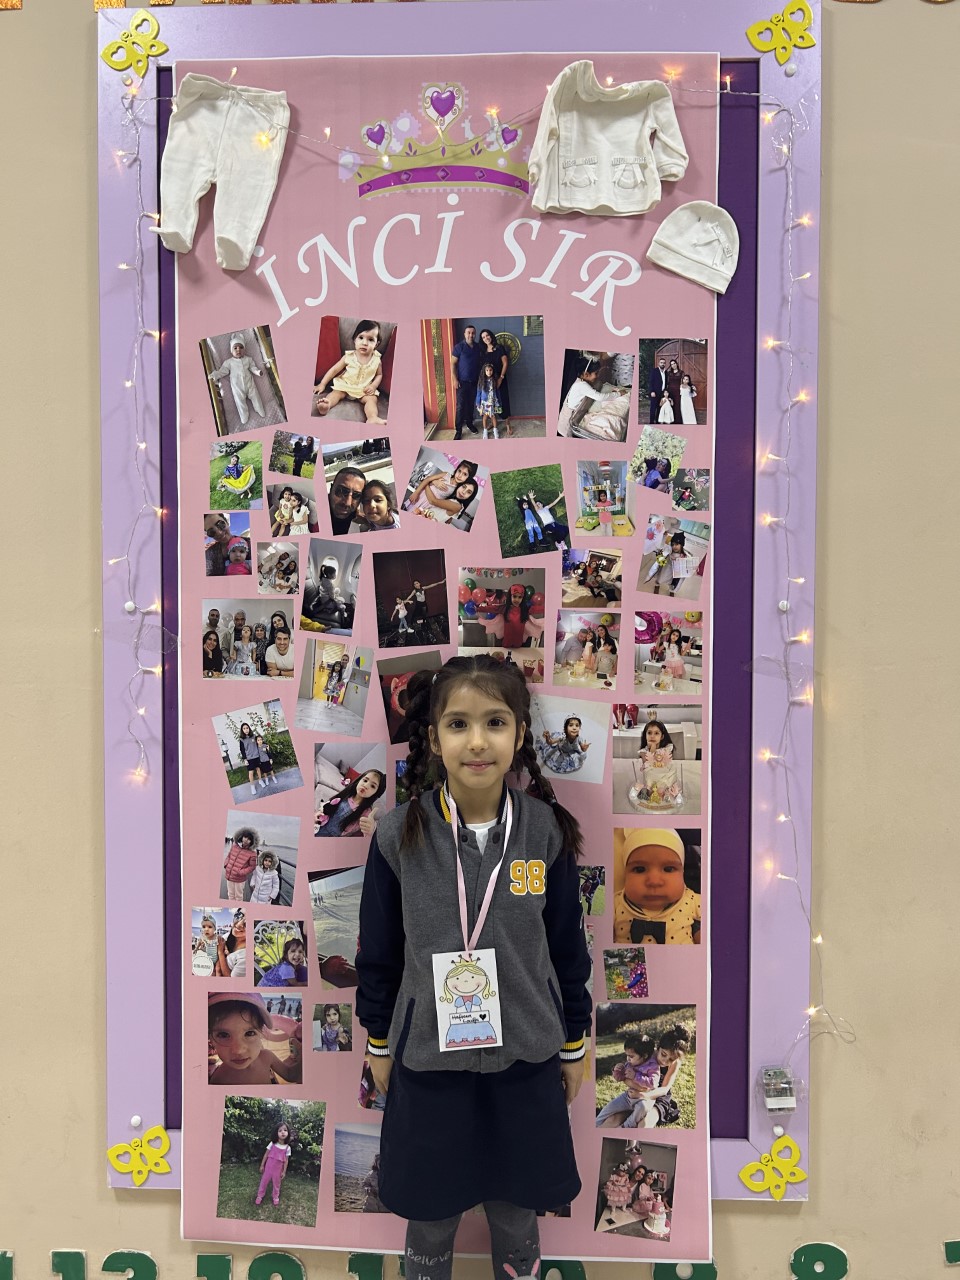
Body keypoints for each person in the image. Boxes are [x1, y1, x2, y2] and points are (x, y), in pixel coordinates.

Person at [355, 655, 590, 1280]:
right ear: (435, 738)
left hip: (526, 1059)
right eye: (458, 724)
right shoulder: (397, 835)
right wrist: (379, 1042)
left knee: (516, 1210)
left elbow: (568, 948)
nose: (478, 741)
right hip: (429, 1062)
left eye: (495, 722)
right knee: (431, 1215)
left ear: (519, 734)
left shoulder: (544, 833)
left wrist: (574, 1044)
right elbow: (378, 954)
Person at [613, 829, 700, 945]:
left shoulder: (691, 901)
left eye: (668, 869)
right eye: (639, 869)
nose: (654, 881)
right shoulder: (614, 904)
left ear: (683, 873)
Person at [208, 992, 301, 1084]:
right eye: (223, 1035)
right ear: (210, 1039)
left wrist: (303, 1060)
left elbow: (290, 1075)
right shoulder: (218, 1080)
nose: (239, 1050)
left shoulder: (267, 1057)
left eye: (249, 1033)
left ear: (261, 1033)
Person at [314, 320, 387, 425]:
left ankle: (372, 418)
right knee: (336, 393)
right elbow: (334, 370)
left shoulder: (376, 360)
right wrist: (322, 384)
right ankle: (326, 405)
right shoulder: (348, 356)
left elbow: (379, 375)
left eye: (371, 339)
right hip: (346, 385)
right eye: (361, 337)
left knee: (372, 400)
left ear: (377, 344)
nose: (364, 343)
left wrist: (373, 386)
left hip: (364, 389)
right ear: (354, 340)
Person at [624, 1025, 689, 1128]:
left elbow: (664, 1089)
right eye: (663, 1054)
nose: (665, 1061)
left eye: (671, 1059)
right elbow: (628, 1076)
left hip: (659, 1097)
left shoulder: (676, 1063)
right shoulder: (647, 1055)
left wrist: (643, 1095)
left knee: (644, 1123)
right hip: (640, 1090)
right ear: (659, 1047)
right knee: (613, 1119)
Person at [595, 1032, 660, 1127]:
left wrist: (635, 1076)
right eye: (627, 1055)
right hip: (628, 1097)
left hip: (644, 1099)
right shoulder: (630, 1063)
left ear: (645, 1056)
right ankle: (596, 1124)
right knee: (608, 1108)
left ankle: (626, 1126)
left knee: (642, 1108)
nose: (628, 1059)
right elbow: (620, 1078)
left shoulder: (653, 1065)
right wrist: (617, 1070)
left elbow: (653, 1083)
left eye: (631, 1056)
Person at [208, 333, 265, 427]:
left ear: (244, 349)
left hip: (250, 384)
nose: (238, 350)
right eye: (235, 348)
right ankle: (244, 415)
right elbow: (222, 371)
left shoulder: (248, 359)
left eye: (241, 347)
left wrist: (258, 372)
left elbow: (253, 367)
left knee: (256, 396)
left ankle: (259, 409)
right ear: (231, 351)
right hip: (237, 387)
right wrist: (215, 375)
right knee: (240, 401)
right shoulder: (229, 362)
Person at [316, 768, 386, 837]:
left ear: (376, 793)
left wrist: (371, 829)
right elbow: (329, 806)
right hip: (320, 825)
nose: (366, 785)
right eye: (365, 780)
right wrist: (319, 813)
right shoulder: (347, 794)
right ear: (359, 780)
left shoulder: (366, 812)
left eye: (372, 786)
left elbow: (365, 833)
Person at [406, 460, 479, 523]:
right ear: (456, 469)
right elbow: (427, 479)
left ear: (469, 478)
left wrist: (450, 517)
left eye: (465, 474)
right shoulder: (446, 475)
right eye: (459, 471)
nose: (460, 476)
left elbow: (450, 503)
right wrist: (416, 492)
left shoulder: (458, 489)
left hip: (429, 505)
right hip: (421, 495)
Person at [450, 324, 483, 439]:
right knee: (460, 406)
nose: (471, 335)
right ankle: (458, 430)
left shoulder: (478, 347)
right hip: (462, 382)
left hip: (475, 382)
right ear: (465, 334)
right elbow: (453, 364)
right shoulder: (459, 347)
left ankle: (469, 423)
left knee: (470, 405)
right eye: (468, 332)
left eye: (473, 333)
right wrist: (454, 379)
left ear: (475, 334)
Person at [478, 327, 511, 435]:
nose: (486, 338)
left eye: (487, 335)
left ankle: (508, 425)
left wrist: (501, 378)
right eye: (483, 337)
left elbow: (505, 363)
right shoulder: (483, 351)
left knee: (503, 401)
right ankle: (493, 423)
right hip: (488, 382)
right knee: (491, 402)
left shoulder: (499, 348)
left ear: (491, 336)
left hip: (500, 379)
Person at [255, 1121, 292, 1208]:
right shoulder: (272, 1144)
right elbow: (266, 1155)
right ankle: (260, 1195)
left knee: (277, 1184)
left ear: (288, 1133)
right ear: (276, 1133)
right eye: (280, 1130)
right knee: (264, 1182)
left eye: (285, 1130)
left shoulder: (287, 1148)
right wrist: (262, 1165)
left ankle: (275, 1196)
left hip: (278, 1170)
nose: (283, 1132)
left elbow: (286, 1161)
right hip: (268, 1168)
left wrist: (284, 1171)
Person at [223, 825, 259, 902]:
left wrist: (241, 872)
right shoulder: (235, 846)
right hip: (229, 875)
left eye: (249, 839)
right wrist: (226, 864)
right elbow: (229, 856)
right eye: (245, 837)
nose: (246, 840)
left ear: (252, 841)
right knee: (230, 894)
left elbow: (252, 867)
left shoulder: (253, 853)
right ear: (242, 836)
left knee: (238, 896)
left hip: (239, 879)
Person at [328, 467, 366, 535]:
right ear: (331, 489)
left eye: (356, 495)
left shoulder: (360, 519)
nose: (347, 503)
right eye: (341, 491)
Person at [215, 909, 247, 977]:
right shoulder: (227, 936)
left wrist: (220, 952)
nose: (239, 924)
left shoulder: (245, 957)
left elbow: (231, 979)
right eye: (239, 915)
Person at [476, 361, 502, 439]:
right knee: (485, 417)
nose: (489, 372)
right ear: (484, 371)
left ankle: (495, 430)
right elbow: (478, 392)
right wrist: (477, 402)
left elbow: (497, 392)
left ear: (493, 371)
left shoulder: (494, 380)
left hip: (493, 401)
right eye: (487, 370)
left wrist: (499, 401)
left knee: (493, 416)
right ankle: (485, 431)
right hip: (485, 402)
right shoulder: (481, 381)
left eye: (490, 370)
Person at [237, 723, 263, 797]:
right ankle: (252, 786)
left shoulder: (253, 736)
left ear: (249, 728)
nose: (246, 730)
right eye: (244, 728)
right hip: (249, 758)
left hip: (256, 756)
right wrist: (245, 759)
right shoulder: (242, 739)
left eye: (247, 728)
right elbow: (242, 750)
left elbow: (259, 742)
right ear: (242, 730)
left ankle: (260, 780)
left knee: (258, 769)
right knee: (251, 772)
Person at [648, 356, 668, 424]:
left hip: (662, 393)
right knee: (653, 408)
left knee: (660, 408)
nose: (662, 364)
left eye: (664, 363)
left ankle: (657, 421)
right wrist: (652, 391)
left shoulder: (666, 372)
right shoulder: (654, 371)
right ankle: (651, 422)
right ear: (659, 363)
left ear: (665, 364)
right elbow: (651, 382)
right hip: (655, 393)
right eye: (661, 363)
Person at [666, 358, 682, 423]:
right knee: (670, 405)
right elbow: (666, 382)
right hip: (670, 391)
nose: (673, 365)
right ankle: (670, 420)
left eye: (674, 363)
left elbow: (684, 381)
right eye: (672, 364)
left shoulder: (681, 372)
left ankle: (677, 421)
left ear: (676, 364)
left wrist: (690, 386)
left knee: (677, 406)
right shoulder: (669, 373)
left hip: (677, 391)